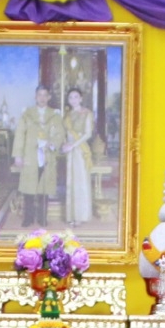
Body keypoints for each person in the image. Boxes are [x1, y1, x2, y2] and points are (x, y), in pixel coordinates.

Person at [11, 84, 63, 231]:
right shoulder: (27, 114)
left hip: (47, 155)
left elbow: (60, 134)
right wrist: (18, 155)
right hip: (30, 155)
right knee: (29, 188)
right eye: (39, 95)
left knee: (44, 188)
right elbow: (20, 135)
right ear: (35, 97)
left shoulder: (55, 115)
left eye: (45, 95)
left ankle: (42, 218)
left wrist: (52, 144)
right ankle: (28, 218)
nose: (42, 98)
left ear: (49, 97)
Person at [62, 87, 96, 229]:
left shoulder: (87, 113)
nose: (73, 100)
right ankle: (71, 215)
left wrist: (73, 145)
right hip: (69, 150)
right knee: (70, 182)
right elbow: (64, 132)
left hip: (80, 149)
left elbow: (88, 134)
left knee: (80, 182)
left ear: (81, 98)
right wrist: (65, 144)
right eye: (71, 97)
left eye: (76, 97)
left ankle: (81, 216)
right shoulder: (67, 115)